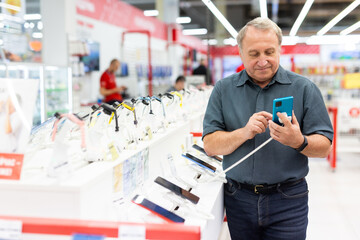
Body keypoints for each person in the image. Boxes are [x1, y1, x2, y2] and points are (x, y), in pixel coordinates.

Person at [202, 17, 333, 240]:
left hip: (288, 199)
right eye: (254, 54)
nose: (263, 61)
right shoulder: (224, 90)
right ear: (241, 53)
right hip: (238, 198)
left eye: (269, 52)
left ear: (279, 50)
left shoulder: (304, 88)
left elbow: (324, 147)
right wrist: (244, 132)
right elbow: (210, 145)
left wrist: (298, 141)